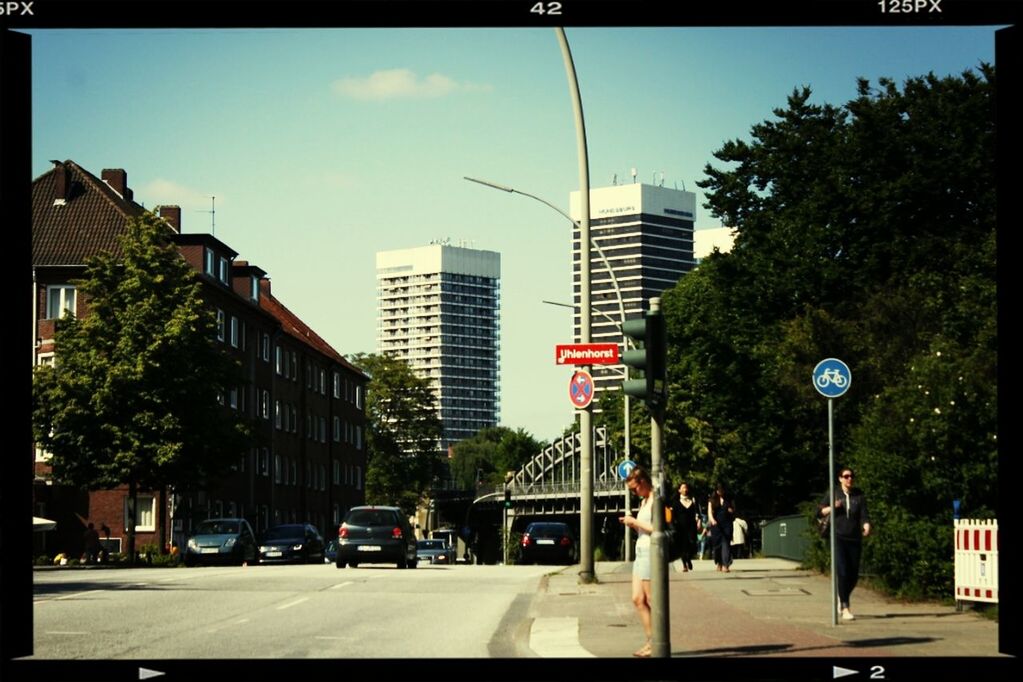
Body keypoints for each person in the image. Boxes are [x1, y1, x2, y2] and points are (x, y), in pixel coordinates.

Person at [819, 467, 871, 620]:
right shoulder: (833, 493)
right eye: (846, 476)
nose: (849, 479)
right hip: (838, 537)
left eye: (851, 476)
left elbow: (864, 514)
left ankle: (841, 597)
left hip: (854, 537)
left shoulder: (859, 495)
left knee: (853, 575)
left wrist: (866, 524)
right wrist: (832, 507)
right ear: (840, 478)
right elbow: (819, 512)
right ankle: (845, 607)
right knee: (842, 572)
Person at [619, 466, 655, 657]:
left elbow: (656, 528)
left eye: (634, 488)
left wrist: (635, 522)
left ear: (642, 482)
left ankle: (656, 642)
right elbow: (642, 529)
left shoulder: (656, 500)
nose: (634, 492)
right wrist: (632, 524)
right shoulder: (643, 502)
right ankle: (651, 641)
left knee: (650, 598)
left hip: (651, 552)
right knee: (637, 598)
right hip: (640, 551)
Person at [673, 481, 700, 572]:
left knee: (692, 543)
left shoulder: (693, 500)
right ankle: (685, 564)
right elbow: (673, 515)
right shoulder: (676, 502)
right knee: (682, 545)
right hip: (680, 527)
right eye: (683, 488)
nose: (685, 489)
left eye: (686, 487)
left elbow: (697, 513)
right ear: (679, 490)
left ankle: (689, 558)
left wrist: (698, 521)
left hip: (691, 526)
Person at [707, 482, 735, 572]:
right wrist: (712, 520)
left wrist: (731, 511)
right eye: (719, 490)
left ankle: (725, 565)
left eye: (722, 490)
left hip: (727, 524)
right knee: (717, 546)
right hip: (716, 525)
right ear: (716, 491)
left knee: (726, 544)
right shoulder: (712, 500)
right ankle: (719, 562)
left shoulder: (729, 499)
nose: (721, 492)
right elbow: (709, 512)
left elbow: (734, 510)